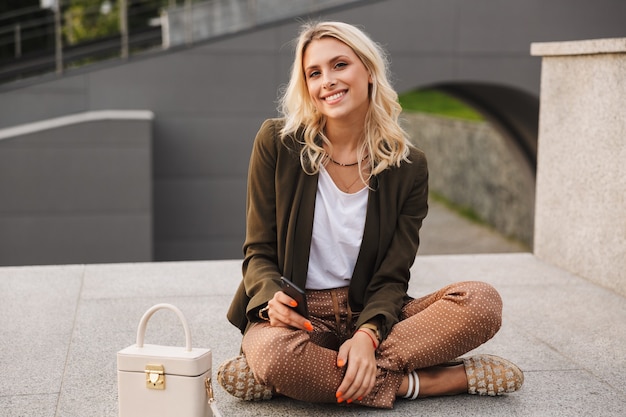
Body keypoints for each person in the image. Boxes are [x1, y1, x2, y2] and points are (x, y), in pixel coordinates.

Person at [217, 21, 523, 409]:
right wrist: (270, 299)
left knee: (481, 301)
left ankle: (299, 379)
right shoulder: (277, 144)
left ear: (368, 71)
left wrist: (368, 336)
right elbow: (258, 251)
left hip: (373, 313)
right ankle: (426, 383)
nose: (327, 80)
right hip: (302, 320)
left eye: (339, 65)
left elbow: (393, 275)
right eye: (314, 73)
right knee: (275, 352)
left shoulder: (408, 167)